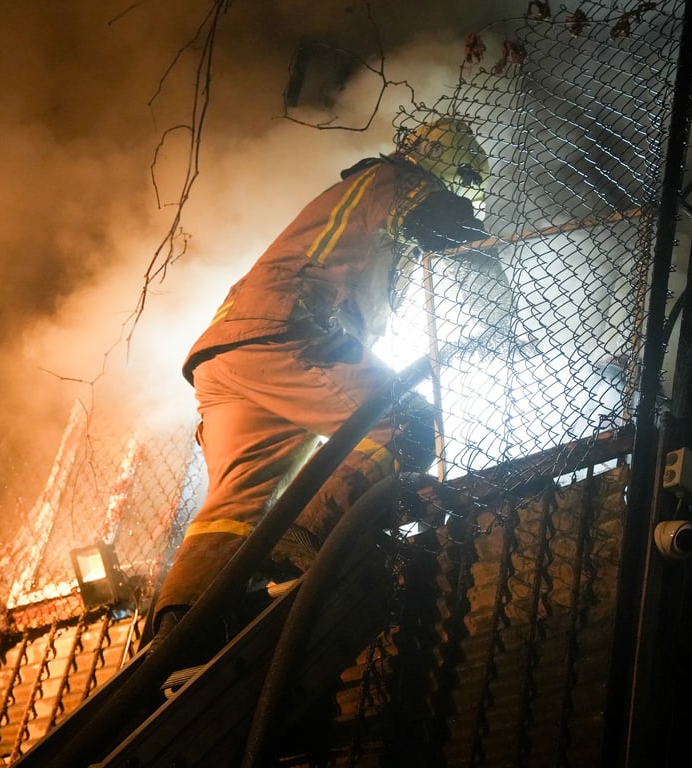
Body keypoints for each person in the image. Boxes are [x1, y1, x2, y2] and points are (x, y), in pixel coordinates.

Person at [152, 117, 499, 645]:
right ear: (441, 160)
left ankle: (182, 627)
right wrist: (493, 260)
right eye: (460, 175)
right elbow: (444, 220)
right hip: (288, 329)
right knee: (404, 422)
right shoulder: (391, 180)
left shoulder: (360, 201)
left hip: (227, 358)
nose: (455, 186)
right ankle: (303, 543)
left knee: (238, 499)